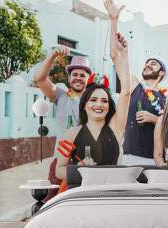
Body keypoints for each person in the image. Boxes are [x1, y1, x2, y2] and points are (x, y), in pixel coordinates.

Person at [55, 31, 131, 181]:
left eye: (104, 101)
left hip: (112, 192)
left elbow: (126, 92)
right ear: (84, 105)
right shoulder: (71, 133)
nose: (99, 104)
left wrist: (125, 54)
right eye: (93, 100)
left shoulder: (116, 127)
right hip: (83, 196)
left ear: (109, 106)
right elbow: (59, 170)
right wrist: (84, 173)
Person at [104, 0, 167, 165]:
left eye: (153, 64)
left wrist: (155, 119)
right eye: (147, 63)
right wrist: (114, 21)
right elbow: (115, 56)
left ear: (161, 73)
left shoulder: (167, 98)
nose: (147, 65)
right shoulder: (135, 86)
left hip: (156, 161)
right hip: (129, 158)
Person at [34, 50, 92, 201]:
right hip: (59, 161)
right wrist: (52, 56)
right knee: (51, 202)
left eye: (82, 75)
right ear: (69, 77)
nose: (78, 78)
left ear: (88, 78)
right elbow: (40, 79)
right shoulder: (60, 95)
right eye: (75, 74)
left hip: (86, 162)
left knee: (80, 203)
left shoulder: (93, 101)